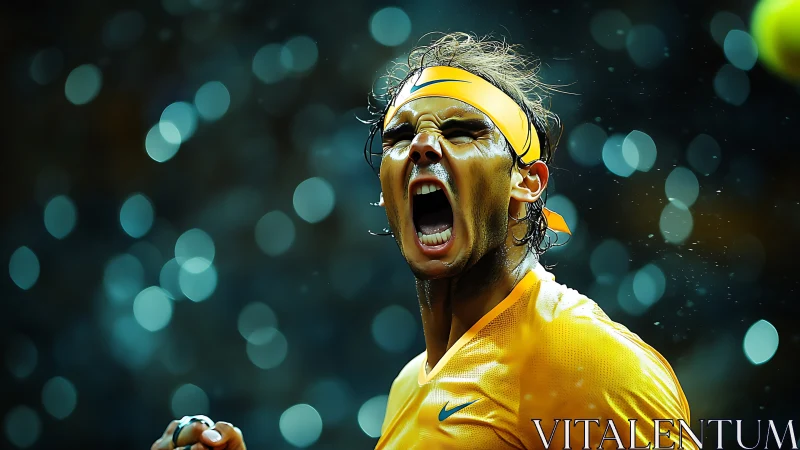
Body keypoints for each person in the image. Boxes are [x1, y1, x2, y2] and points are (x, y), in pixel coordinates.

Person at [150, 32, 696, 450]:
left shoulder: (589, 363)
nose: (422, 147)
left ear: (526, 181)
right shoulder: (410, 385)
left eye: (462, 131)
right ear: (386, 192)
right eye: (400, 136)